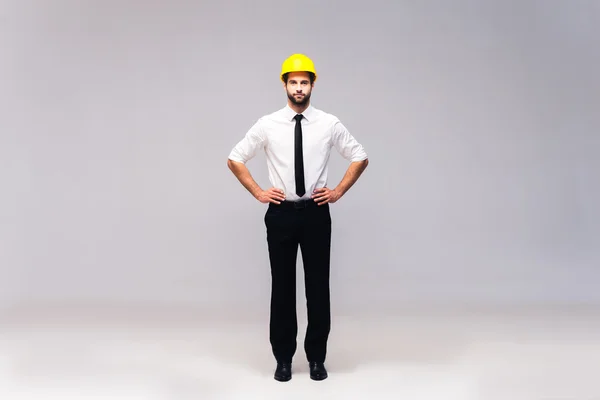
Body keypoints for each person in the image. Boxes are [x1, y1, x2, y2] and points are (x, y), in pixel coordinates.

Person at [226, 53, 369, 382]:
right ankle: (284, 359)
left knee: (318, 287)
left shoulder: (328, 123)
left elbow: (359, 156)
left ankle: (317, 358)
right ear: (284, 84)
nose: (299, 88)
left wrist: (338, 191)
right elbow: (235, 158)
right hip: (281, 214)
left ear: (313, 84)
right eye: (294, 82)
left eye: (305, 82)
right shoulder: (268, 124)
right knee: (283, 287)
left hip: (317, 214)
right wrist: (259, 192)